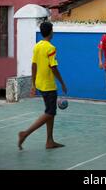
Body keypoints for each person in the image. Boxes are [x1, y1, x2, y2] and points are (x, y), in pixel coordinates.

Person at [18, 21, 67, 150]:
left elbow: (33, 66)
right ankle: (25, 133)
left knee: (50, 112)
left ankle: (49, 141)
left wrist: (33, 84)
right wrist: (62, 83)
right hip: (49, 85)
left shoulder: (37, 46)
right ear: (51, 32)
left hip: (40, 83)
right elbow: (53, 67)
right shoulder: (51, 48)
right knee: (50, 113)